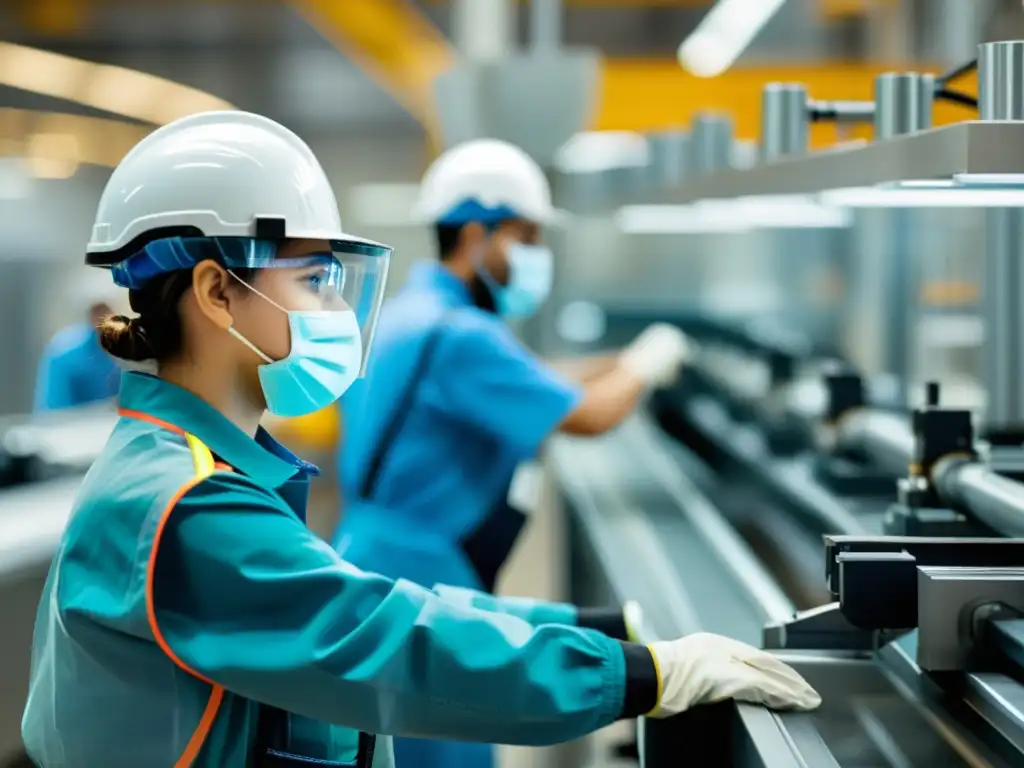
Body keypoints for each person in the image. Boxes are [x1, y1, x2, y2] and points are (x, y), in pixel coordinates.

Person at [21, 111, 819, 768]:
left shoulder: (193, 467)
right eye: (311, 280)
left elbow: (391, 608)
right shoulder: (188, 508)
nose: (333, 310)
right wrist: (641, 674)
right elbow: (391, 641)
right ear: (217, 291)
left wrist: (597, 629)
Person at [331, 139, 703, 768]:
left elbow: (532, 378)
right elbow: (587, 417)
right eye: (526, 237)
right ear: (477, 235)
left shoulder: (414, 316)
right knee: (442, 747)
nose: (536, 256)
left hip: (375, 547)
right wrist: (643, 366)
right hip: (421, 565)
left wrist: (617, 360)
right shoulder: (460, 336)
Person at [33, 271, 123, 411]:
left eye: (105, 309)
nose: (102, 317)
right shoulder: (64, 354)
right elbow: (55, 409)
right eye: (96, 311)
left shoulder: (123, 351)